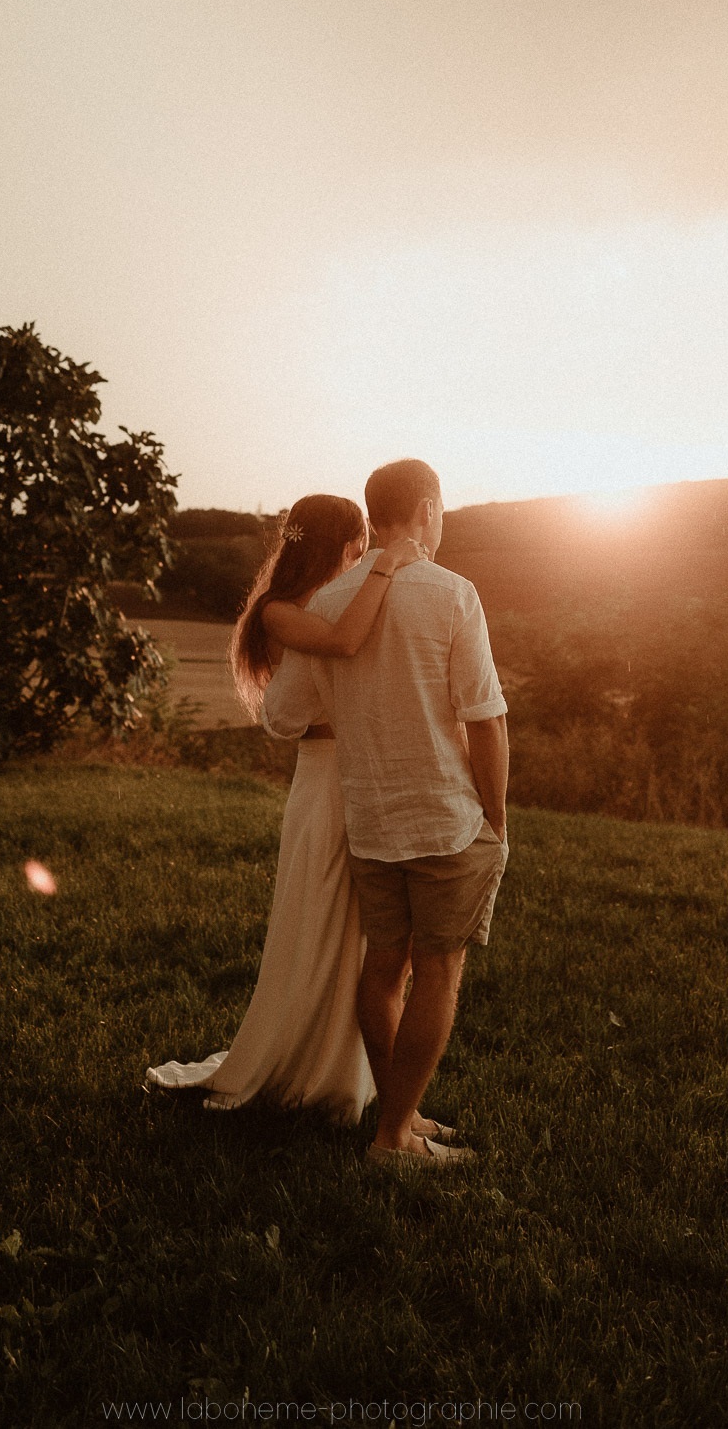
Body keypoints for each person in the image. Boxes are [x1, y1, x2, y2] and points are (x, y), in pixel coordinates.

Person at [143, 494, 426, 1122]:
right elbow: (345, 643)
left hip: (363, 778)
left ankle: (343, 1068)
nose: (362, 551)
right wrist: (388, 563)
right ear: (335, 543)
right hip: (325, 784)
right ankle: (299, 1067)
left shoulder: (336, 597)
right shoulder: (279, 612)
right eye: (357, 540)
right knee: (318, 920)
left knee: (354, 933)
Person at [263, 460, 509, 1165]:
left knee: (384, 968)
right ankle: (393, 1139)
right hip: (440, 816)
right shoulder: (454, 594)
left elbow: (296, 711)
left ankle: (402, 1113)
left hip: (368, 818)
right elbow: (485, 720)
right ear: (428, 508)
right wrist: (495, 813)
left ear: (375, 514)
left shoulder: (330, 599)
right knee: (439, 972)